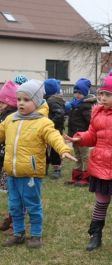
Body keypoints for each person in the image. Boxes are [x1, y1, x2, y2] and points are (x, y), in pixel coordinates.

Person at [65, 72, 112, 252]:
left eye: (107, 95)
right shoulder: (97, 114)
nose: (102, 98)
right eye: (101, 94)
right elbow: (92, 136)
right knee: (100, 202)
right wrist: (79, 138)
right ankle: (95, 234)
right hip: (100, 166)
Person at [0, 80, 75, 248]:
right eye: (19, 99)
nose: (21, 103)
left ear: (37, 101)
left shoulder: (43, 122)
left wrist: (63, 149)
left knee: (32, 205)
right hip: (12, 173)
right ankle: (18, 233)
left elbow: (54, 136)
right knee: (14, 205)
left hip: (31, 174)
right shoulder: (10, 120)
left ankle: (36, 235)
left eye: (26, 100)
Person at [64, 78, 94, 186]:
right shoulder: (74, 105)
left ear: (85, 93)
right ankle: (77, 176)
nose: (77, 95)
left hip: (83, 136)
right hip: (74, 136)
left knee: (84, 157)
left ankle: (87, 177)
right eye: (75, 92)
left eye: (80, 93)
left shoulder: (85, 106)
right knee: (77, 156)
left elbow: (90, 121)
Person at [0, 81, 18, 232]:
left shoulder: (11, 118)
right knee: (11, 192)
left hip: (9, 160)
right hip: (4, 160)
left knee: (13, 192)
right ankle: (12, 216)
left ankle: (13, 218)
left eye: (2, 102)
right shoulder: (3, 115)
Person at [44, 79, 65, 179]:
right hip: (47, 130)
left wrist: (50, 122)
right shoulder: (46, 100)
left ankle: (57, 169)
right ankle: (44, 167)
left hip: (55, 130)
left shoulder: (52, 101)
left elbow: (59, 113)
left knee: (54, 151)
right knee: (44, 149)